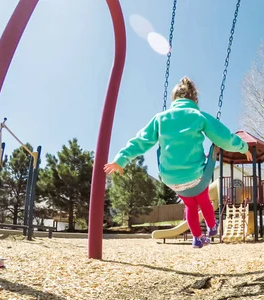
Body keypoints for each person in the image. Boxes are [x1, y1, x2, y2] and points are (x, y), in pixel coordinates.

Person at [104, 77, 251, 248]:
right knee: (203, 199)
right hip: (196, 176)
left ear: (174, 99)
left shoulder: (160, 118)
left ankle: (197, 238)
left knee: (189, 205)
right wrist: (243, 147)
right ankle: (212, 227)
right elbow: (224, 139)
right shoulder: (197, 115)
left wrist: (121, 159)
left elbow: (140, 141)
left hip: (171, 179)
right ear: (194, 99)